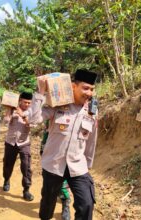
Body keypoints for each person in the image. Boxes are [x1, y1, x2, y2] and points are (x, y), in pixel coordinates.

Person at [31, 69, 99, 220]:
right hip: (54, 164)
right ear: (73, 86)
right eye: (86, 88)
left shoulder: (92, 111)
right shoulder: (58, 105)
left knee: (86, 203)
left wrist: (88, 164)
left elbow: (91, 140)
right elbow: (34, 120)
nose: (89, 93)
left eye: (92, 89)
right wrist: (40, 93)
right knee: (47, 205)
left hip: (77, 166)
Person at [2, 92, 35, 201]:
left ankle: (26, 190)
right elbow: (5, 122)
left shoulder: (31, 112)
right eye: (25, 102)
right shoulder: (12, 110)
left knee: (26, 167)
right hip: (10, 142)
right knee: (8, 164)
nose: (27, 104)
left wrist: (23, 115)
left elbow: (32, 126)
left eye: (29, 103)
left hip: (24, 143)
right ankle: (6, 180)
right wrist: (9, 111)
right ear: (20, 100)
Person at [40, 120, 71, 220]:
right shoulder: (53, 113)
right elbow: (46, 135)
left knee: (63, 184)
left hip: (67, 155)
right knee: (49, 188)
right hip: (51, 158)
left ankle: (65, 204)